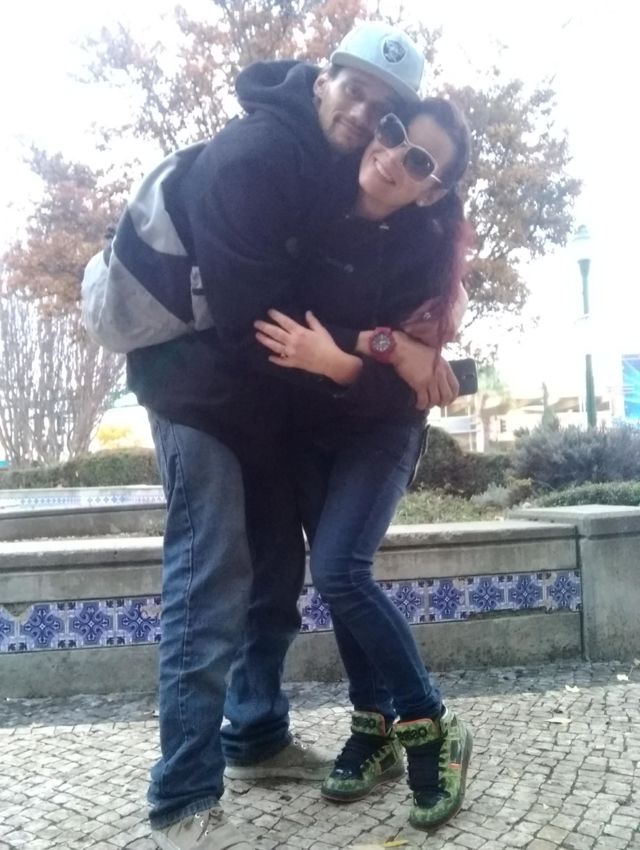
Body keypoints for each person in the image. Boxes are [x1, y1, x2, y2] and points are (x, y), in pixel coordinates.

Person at [109, 22, 440, 850]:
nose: (364, 115)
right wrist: (373, 359)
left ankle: (255, 735)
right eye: (354, 90)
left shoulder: (339, 169)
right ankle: (183, 798)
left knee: (277, 574)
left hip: (257, 402)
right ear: (322, 79)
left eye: (384, 110)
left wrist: (401, 339)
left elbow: (357, 285)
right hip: (195, 390)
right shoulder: (257, 155)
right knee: (211, 577)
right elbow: (255, 323)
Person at [254, 98, 473, 831]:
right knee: (340, 578)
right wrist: (380, 343)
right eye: (395, 133)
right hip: (305, 428)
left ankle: (430, 724)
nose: (394, 156)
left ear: (431, 190)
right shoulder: (310, 200)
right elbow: (274, 314)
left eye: (420, 160)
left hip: (380, 430)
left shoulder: (427, 256)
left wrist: (344, 358)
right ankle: (372, 726)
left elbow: (409, 388)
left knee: (341, 570)